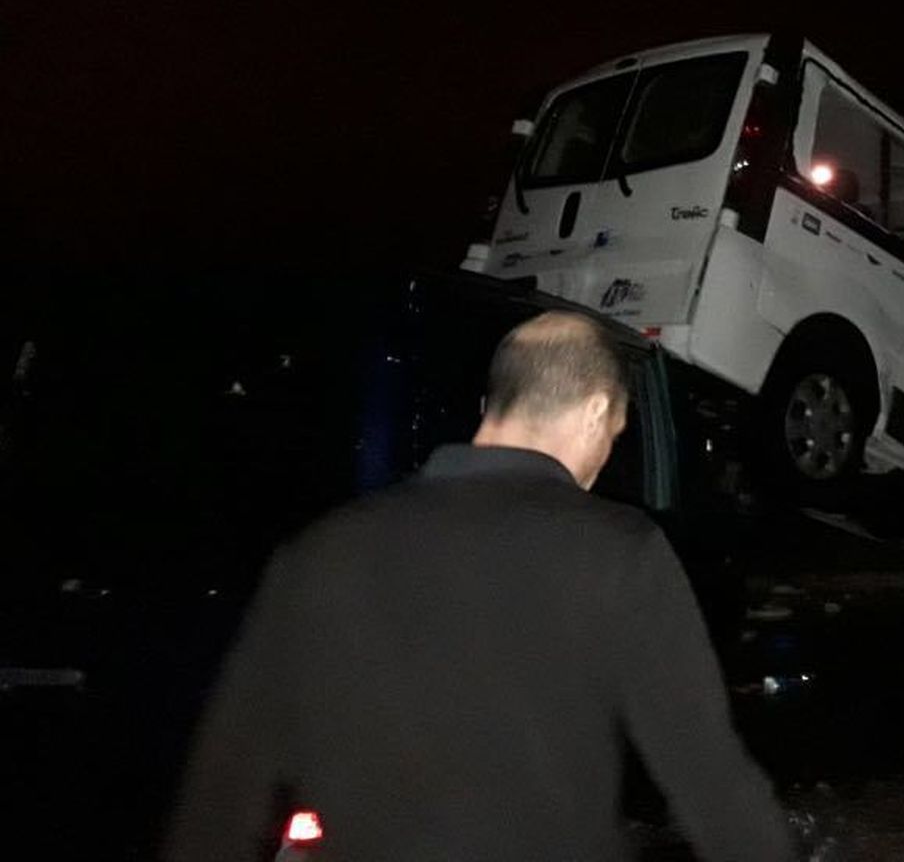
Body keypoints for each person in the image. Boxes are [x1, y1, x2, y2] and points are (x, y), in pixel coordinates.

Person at [164, 311, 794, 862]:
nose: (605, 457)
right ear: (597, 410)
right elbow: (709, 781)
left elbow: (224, 787)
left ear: (494, 406)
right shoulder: (617, 551)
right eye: (614, 433)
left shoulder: (323, 550)